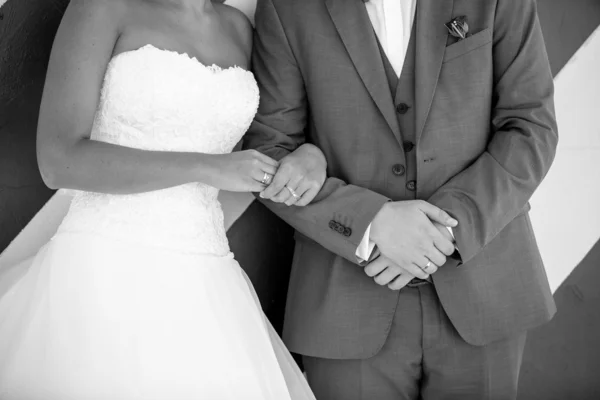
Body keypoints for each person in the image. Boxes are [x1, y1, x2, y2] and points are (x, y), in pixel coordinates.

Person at [0, 0, 322, 398]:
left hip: (207, 279)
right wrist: (207, 167)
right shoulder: (102, 7)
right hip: (102, 267)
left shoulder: (240, 27)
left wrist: (311, 155)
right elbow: (58, 161)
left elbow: (271, 142)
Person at [244, 0, 559, 398]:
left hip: (484, 288)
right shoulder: (288, 8)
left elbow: (531, 127)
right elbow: (270, 153)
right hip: (345, 303)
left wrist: (443, 226)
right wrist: (371, 223)